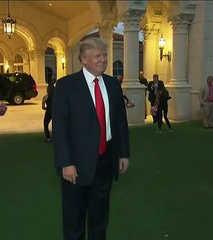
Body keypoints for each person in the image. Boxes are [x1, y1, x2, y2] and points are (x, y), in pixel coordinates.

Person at [52, 37, 130, 240]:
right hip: (75, 165)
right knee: (74, 221)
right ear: (83, 59)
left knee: (99, 219)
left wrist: (123, 153)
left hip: (106, 162)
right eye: (98, 56)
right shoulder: (66, 86)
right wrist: (65, 163)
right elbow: (60, 129)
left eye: (104, 55)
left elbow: (120, 122)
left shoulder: (113, 85)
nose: (103, 60)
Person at [42, 77, 55, 142]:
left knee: (45, 123)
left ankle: (48, 137)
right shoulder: (57, 96)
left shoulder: (46, 97)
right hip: (56, 111)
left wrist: (47, 108)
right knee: (55, 125)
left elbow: (43, 107)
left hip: (49, 111)